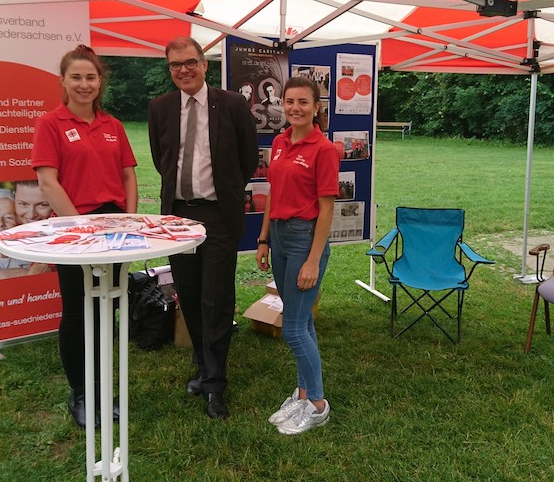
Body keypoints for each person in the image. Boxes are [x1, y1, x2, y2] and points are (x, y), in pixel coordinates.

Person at [148, 36, 257, 420]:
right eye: (176, 64)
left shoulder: (232, 104)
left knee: (216, 298)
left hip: (218, 217)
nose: (184, 70)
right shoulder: (160, 108)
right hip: (178, 218)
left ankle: (214, 383)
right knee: (190, 296)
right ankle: (202, 362)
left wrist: (222, 193)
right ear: (170, 69)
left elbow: (248, 159)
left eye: (190, 62)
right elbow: (162, 161)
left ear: (204, 64)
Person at [31, 44, 138, 429]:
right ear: (62, 81)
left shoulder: (113, 126)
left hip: (114, 228)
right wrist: (81, 230)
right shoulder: (50, 124)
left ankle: (103, 389)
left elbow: (128, 175)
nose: (84, 84)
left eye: (90, 77)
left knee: (107, 308)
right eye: (75, 77)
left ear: (100, 81)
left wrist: (129, 221)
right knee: (78, 311)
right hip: (73, 228)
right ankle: (80, 393)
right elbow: (48, 182)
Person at [255, 76, 340, 435]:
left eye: (303, 102)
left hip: (305, 240)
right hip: (278, 235)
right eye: (289, 101)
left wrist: (313, 260)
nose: (295, 108)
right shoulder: (279, 142)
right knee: (301, 322)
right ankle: (303, 394)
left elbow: (327, 208)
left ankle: (318, 405)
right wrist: (263, 239)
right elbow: (273, 192)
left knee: (292, 328)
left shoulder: (324, 150)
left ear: (316, 107)